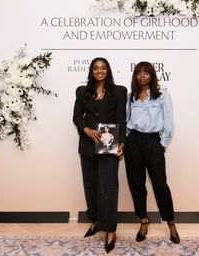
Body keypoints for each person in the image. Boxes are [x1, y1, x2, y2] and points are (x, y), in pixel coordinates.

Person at [73, 57, 127, 253]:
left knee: (108, 188)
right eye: (96, 68)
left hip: (109, 145)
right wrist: (86, 130)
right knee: (91, 186)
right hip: (88, 145)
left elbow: (121, 117)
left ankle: (110, 229)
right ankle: (95, 220)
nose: (99, 71)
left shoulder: (119, 91)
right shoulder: (82, 91)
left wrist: (122, 142)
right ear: (91, 71)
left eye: (103, 68)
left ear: (108, 70)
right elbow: (77, 117)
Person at [124, 61, 180, 244]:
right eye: (139, 72)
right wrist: (125, 142)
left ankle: (171, 223)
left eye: (146, 72)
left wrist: (161, 144)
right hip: (134, 141)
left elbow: (169, 122)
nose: (142, 75)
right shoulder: (131, 96)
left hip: (153, 142)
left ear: (152, 75)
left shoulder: (162, 95)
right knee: (137, 184)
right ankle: (143, 221)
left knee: (160, 184)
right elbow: (126, 121)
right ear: (135, 76)